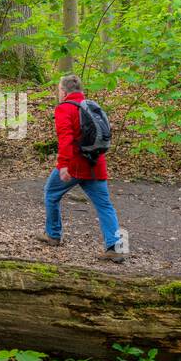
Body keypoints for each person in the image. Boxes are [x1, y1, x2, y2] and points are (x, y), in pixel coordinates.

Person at [39, 74, 124, 262]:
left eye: (59, 89)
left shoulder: (65, 109)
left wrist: (63, 166)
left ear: (63, 91)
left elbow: (66, 139)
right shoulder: (92, 106)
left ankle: (53, 235)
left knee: (51, 193)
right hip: (96, 164)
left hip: (75, 165)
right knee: (105, 205)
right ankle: (116, 247)